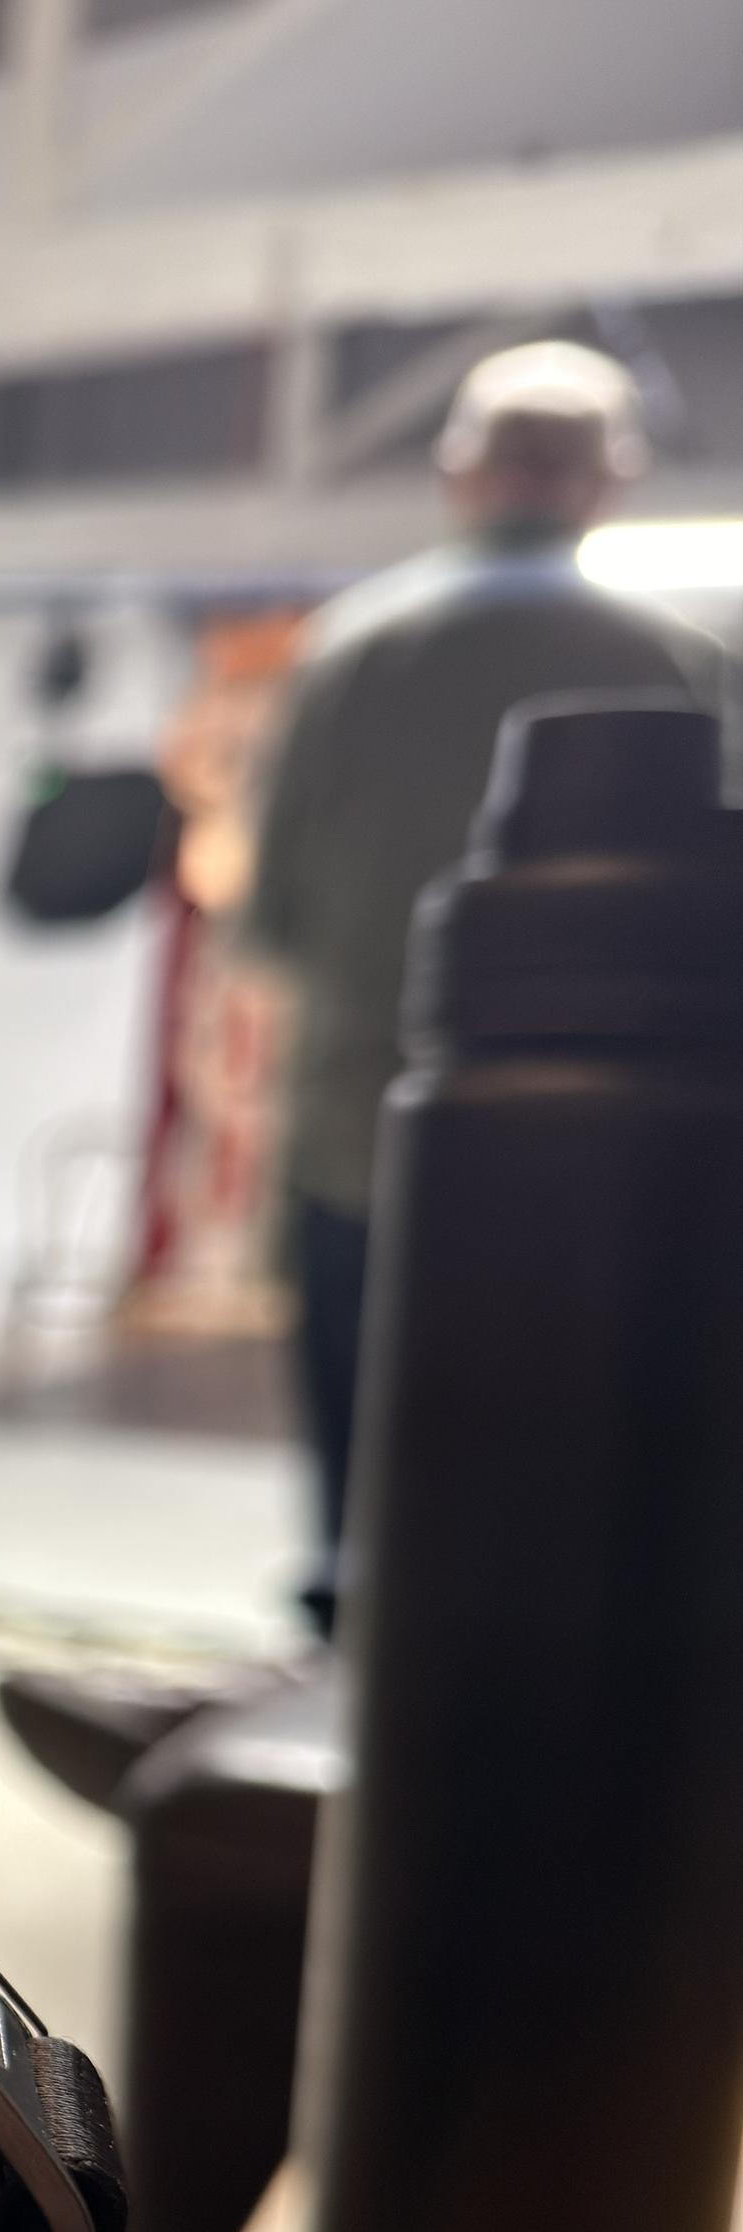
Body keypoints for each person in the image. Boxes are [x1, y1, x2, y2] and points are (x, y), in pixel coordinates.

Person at [245, 338, 721, 1630]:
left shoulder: (345, 653)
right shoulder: (683, 659)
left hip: (365, 1136)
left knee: (365, 1513)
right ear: (606, 480)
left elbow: (270, 917)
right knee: (583, 1509)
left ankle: (341, 1723)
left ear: (460, 471)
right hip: (621, 1178)